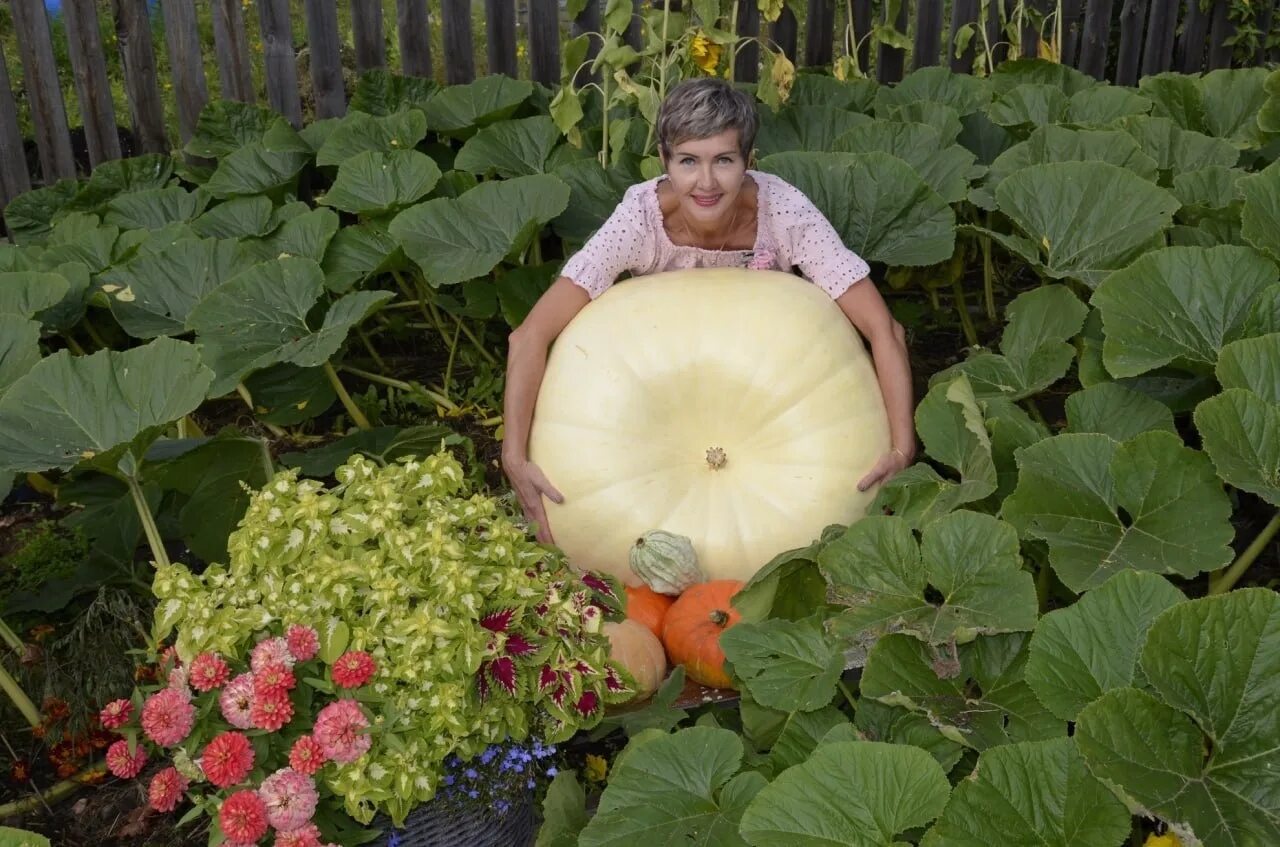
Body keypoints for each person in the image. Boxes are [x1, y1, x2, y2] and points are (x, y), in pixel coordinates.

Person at [503, 77, 915, 543]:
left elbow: (883, 329)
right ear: (664, 161)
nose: (705, 182)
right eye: (687, 161)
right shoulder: (639, 219)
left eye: (723, 160)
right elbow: (531, 335)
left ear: (748, 162)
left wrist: (902, 448)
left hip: (768, 390)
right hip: (665, 394)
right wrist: (514, 457)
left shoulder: (784, 212)